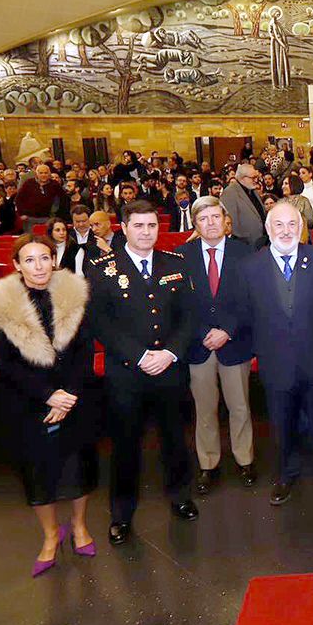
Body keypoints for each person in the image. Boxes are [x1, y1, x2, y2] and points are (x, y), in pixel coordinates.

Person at [0, 235, 98, 576]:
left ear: (54, 259)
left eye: (45, 258)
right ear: (16, 264)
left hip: (74, 396)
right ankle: (51, 534)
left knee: (78, 466)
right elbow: (5, 362)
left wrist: (68, 395)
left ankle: (79, 526)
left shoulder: (74, 294)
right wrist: (48, 395)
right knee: (38, 472)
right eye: (30, 260)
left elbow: (84, 351)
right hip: (29, 398)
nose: (39, 266)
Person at [85, 200, 198, 546]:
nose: (146, 232)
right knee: (125, 445)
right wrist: (139, 355)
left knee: (175, 439)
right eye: (139, 226)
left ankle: (180, 496)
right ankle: (121, 513)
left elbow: (188, 317)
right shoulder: (102, 268)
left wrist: (171, 353)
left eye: (152, 226)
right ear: (124, 227)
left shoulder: (175, 263)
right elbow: (99, 322)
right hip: (126, 373)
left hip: (169, 370)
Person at [228, 200, 313, 504]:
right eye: (279, 224)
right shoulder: (250, 267)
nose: (286, 231)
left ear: (302, 228)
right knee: (281, 424)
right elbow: (245, 315)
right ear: (267, 228)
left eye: (292, 224)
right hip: (275, 363)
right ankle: (286, 474)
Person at [174, 197, 256, 497]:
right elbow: (179, 306)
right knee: (204, 408)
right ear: (195, 224)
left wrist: (228, 331)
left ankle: (244, 459)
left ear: (225, 220)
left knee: (240, 406)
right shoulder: (182, 255)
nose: (210, 223)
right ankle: (208, 463)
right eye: (203, 219)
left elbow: (252, 300)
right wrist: (204, 332)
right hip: (199, 345)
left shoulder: (244, 252)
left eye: (215, 217)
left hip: (234, 342)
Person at [218, 164, 265, 245]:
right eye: (253, 178)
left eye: (256, 177)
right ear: (242, 178)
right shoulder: (230, 193)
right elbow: (231, 222)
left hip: (260, 240)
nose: (256, 180)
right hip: (245, 243)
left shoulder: (251, 190)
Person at [15, 164, 66, 228]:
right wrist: (22, 214)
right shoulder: (28, 183)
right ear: (36, 174)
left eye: (46, 173)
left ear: (49, 174)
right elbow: (18, 199)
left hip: (47, 218)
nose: (43, 175)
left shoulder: (54, 184)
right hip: (29, 218)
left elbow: (63, 199)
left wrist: (55, 216)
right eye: (41, 173)